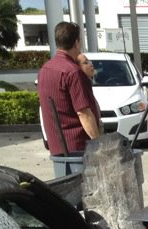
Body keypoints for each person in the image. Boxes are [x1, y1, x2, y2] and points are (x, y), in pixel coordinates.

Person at [37, 22, 101, 157]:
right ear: (76, 43)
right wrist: (98, 144)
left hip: (56, 147)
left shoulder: (44, 70)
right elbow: (83, 113)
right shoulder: (73, 72)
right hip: (78, 148)